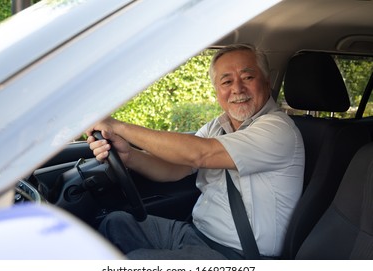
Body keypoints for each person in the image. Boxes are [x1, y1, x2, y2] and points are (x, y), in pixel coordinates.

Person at [86, 44, 305, 259]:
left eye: (247, 77)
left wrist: (118, 126)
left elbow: (200, 153)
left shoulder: (278, 129)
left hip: (236, 255)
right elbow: (176, 168)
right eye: (226, 81)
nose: (237, 89)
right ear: (217, 91)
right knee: (114, 224)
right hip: (194, 234)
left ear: (267, 83)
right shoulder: (217, 126)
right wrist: (130, 156)